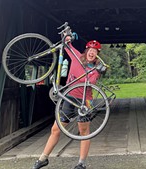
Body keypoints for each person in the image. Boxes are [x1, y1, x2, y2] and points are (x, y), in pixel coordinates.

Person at [32, 36, 102, 169]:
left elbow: (92, 82)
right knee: (56, 128)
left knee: (84, 131)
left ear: (97, 54)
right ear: (86, 51)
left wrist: (97, 70)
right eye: (90, 50)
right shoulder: (76, 57)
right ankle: (43, 158)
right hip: (69, 98)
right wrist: (67, 37)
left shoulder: (96, 68)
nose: (92, 53)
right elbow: (66, 45)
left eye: (95, 51)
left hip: (84, 102)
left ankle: (81, 163)